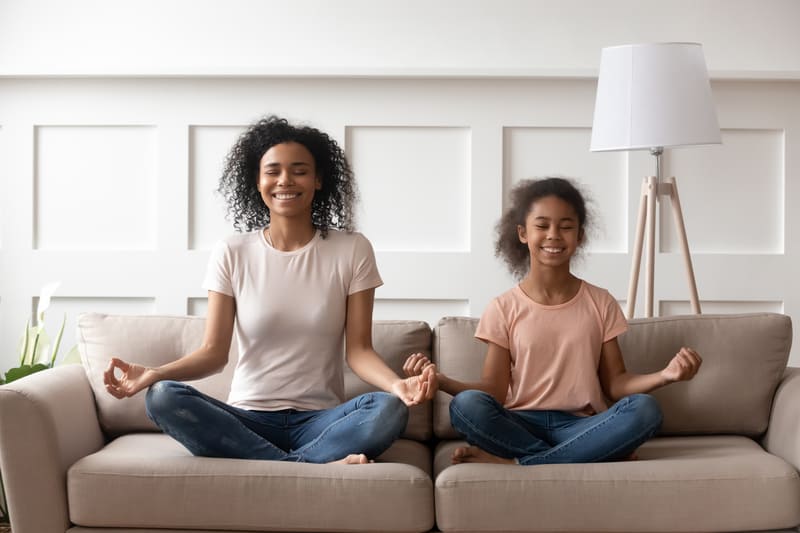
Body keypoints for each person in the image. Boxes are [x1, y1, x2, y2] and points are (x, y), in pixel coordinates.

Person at [103, 115, 437, 464]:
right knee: (162, 397)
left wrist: (397, 385)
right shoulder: (232, 251)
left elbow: (359, 351)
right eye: (273, 170)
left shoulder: (352, 249)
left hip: (320, 419)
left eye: (299, 170)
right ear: (257, 180)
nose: (285, 181)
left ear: (319, 179)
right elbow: (214, 353)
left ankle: (277, 465)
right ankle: (311, 465)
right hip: (247, 418)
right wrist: (156, 373)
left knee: (388, 408)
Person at [404, 177, 701, 465]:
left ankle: (519, 461)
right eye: (542, 225)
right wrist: (442, 381)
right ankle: (584, 455)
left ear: (580, 235)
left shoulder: (600, 302)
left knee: (645, 410)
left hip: (583, 425)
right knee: (466, 407)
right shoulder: (503, 307)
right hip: (519, 424)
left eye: (566, 226)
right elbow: (494, 390)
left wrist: (666, 376)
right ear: (523, 233)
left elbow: (616, 384)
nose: (554, 235)